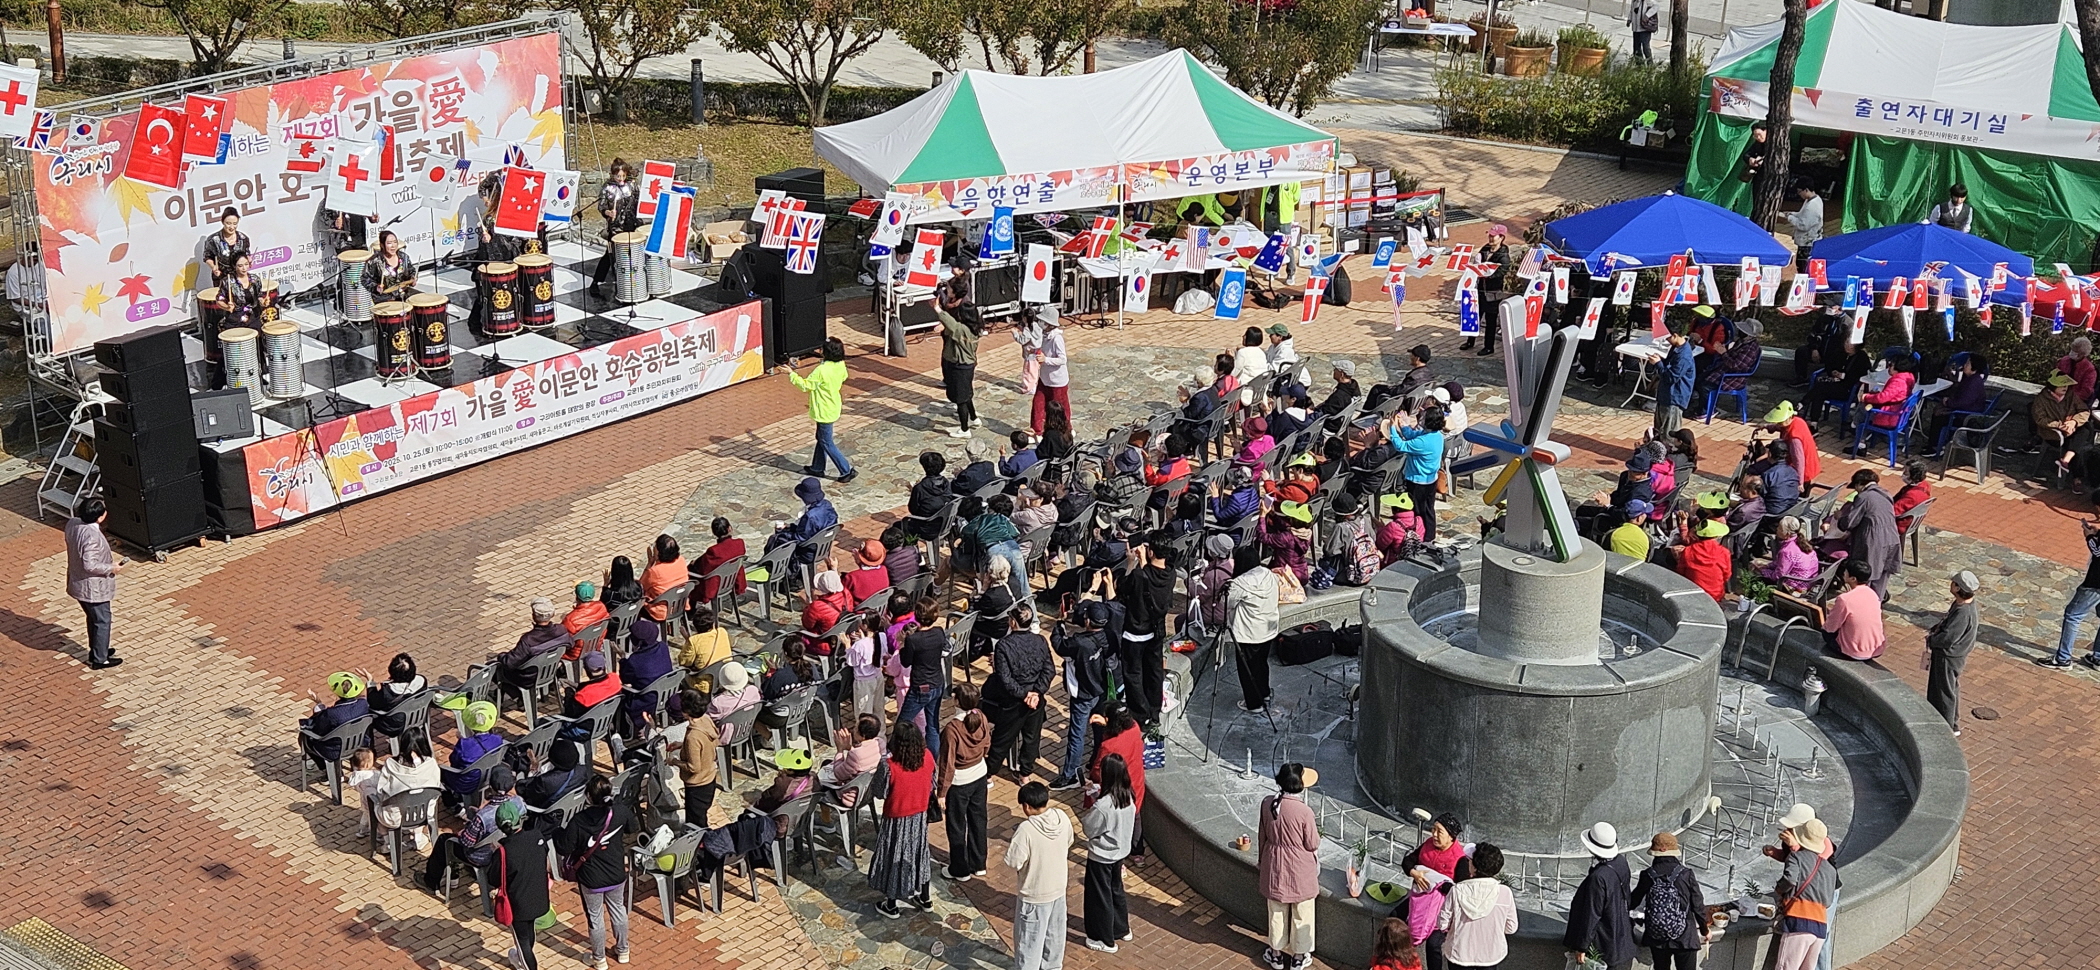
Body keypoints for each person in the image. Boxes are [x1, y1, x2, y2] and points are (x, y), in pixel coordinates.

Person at [558, 773, 635, 969]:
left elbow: (564, 848)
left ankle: (599, 959)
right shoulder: (620, 811)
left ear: (588, 797)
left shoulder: (578, 821)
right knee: (618, 910)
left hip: (591, 878)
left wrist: (557, 831)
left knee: (595, 917)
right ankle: (623, 950)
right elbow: (632, 828)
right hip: (616, 872)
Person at [869, 721, 937, 919]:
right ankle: (925, 897)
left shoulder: (889, 766)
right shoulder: (928, 757)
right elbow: (932, 782)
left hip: (896, 819)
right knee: (920, 854)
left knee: (893, 856)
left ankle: (891, 904)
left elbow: (879, 792)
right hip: (920, 816)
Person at [1051, 590, 1118, 789]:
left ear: (1088, 620)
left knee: (1077, 734)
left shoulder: (1080, 643)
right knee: (1099, 729)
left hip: (1083, 695)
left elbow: (1059, 645)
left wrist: (1059, 623)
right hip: (1102, 690)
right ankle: (1096, 762)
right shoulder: (1110, 636)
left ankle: (1070, 775)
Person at [417, 763, 519, 893]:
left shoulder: (483, 816)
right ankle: (454, 873)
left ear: (491, 786)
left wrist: (465, 830)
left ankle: (430, 882)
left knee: (445, 840)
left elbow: (467, 842)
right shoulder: (518, 803)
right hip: (503, 850)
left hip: (480, 856)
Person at [1005, 780, 1075, 968]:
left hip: (1034, 896)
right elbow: (1069, 841)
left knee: (1028, 946)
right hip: (1058, 890)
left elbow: (1014, 861)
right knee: (1054, 940)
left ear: (1027, 806)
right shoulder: (1062, 817)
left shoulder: (1026, 830)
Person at [1259, 763, 1322, 970]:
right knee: (1302, 912)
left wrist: (1262, 861)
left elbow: (1262, 835)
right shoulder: (1304, 811)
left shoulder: (1268, 803)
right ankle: (1298, 957)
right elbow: (1312, 843)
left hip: (1274, 863)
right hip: (1299, 868)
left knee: (1276, 912)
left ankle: (1276, 954)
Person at [985, 605, 1053, 777]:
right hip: (1035, 700)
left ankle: (989, 773)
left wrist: (1025, 694)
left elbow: (1005, 678)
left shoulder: (1004, 645)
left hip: (1013, 700)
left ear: (1013, 623)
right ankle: (1025, 774)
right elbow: (1049, 670)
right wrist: (1036, 692)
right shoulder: (1040, 640)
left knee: (1002, 739)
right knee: (1032, 737)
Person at [1628, 832, 1709, 970]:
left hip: (1657, 937)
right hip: (1684, 937)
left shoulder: (1647, 875)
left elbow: (1633, 901)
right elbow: (1698, 905)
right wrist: (1705, 930)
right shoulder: (1686, 874)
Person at [1083, 753, 1138, 953]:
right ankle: (1121, 929)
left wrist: (1095, 801)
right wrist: (1096, 792)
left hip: (1102, 856)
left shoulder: (1103, 806)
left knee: (1100, 898)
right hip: (1119, 853)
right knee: (1116, 892)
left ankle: (1104, 939)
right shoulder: (1128, 796)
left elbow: (1089, 828)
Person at [937, 684, 992, 880]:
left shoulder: (952, 729)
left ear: (957, 701)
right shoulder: (981, 717)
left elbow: (947, 763)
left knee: (957, 825)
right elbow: (987, 744)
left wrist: (942, 792)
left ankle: (959, 869)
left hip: (959, 782)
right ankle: (979, 863)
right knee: (979, 819)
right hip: (980, 775)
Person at [1564, 822, 1636, 970]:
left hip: (1604, 945)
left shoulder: (1598, 877)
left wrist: (1582, 946)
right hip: (1621, 938)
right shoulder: (1621, 862)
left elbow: (1592, 913)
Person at [1772, 818, 1839, 970]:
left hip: (1799, 921)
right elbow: (1828, 901)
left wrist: (1779, 890)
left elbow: (1790, 879)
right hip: (1820, 927)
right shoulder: (1830, 869)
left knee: (1785, 967)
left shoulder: (1796, 857)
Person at [65, 498, 124, 669]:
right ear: (100, 517)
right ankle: (100, 659)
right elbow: (90, 565)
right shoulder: (92, 536)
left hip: (77, 582)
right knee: (102, 620)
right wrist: (111, 568)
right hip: (93, 587)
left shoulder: (72, 523)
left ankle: (98, 649)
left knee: (93, 618)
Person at [788, 337, 857, 483]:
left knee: (826, 441)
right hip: (832, 406)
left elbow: (806, 386)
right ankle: (817, 467)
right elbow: (844, 376)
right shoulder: (840, 365)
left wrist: (791, 374)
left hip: (823, 409)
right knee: (821, 438)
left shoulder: (821, 370)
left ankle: (846, 470)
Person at [1439, 843, 1517, 970]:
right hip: (1490, 955)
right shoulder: (1504, 892)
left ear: (1474, 867)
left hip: (1459, 953)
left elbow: (1442, 924)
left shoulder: (1457, 890)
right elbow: (1511, 927)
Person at [493, 800, 551, 970]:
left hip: (518, 904)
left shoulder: (503, 851)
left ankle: (527, 964)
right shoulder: (537, 836)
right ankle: (521, 960)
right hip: (539, 896)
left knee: (522, 941)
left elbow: (493, 879)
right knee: (529, 930)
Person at [1833, 469, 1901, 597]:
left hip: (1874, 542)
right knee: (1882, 577)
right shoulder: (1886, 494)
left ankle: (1863, 603)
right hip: (1892, 538)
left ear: (1859, 484)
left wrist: (1840, 517)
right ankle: (1876, 602)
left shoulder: (1863, 497)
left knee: (1865, 577)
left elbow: (1849, 522)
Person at [1927, 571, 1980, 733]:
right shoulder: (1962, 605)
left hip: (1949, 656)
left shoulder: (1963, 612)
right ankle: (1950, 723)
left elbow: (1949, 638)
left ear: (1957, 588)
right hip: (1952, 655)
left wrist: (1932, 640)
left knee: (1945, 691)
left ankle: (1948, 727)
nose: (1950, 584)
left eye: (1953, 582)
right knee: (1949, 688)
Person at [1385, 408, 1447, 540]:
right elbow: (1413, 435)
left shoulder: (1423, 442)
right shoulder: (1436, 435)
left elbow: (1400, 446)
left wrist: (1392, 428)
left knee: (1418, 513)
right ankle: (1429, 537)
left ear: (1428, 422)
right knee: (1429, 510)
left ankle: (1421, 538)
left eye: (1423, 417)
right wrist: (1404, 426)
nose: (1420, 418)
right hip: (1431, 480)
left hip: (1418, 482)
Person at [936, 260, 982, 438]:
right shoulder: (972, 329)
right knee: (966, 394)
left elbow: (952, 325)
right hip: (966, 365)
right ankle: (974, 418)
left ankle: (964, 429)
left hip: (960, 365)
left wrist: (937, 309)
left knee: (961, 398)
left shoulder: (963, 330)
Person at [898, 599, 949, 756]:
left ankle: (896, 755)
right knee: (932, 725)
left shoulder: (913, 640)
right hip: (937, 684)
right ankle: (933, 759)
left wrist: (902, 644)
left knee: (902, 724)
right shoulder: (939, 632)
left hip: (920, 687)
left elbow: (906, 662)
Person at [495, 597, 571, 691]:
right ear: (553, 614)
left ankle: (511, 694)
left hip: (528, 679)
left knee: (495, 668)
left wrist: (501, 656)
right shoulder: (561, 630)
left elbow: (509, 663)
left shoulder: (528, 640)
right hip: (551, 671)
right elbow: (571, 645)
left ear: (534, 616)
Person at [588, 159, 641, 294]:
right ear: (613, 174)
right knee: (611, 254)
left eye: (623, 176)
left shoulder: (632, 184)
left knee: (634, 252)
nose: (621, 179)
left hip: (632, 223)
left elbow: (640, 200)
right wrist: (608, 212)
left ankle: (633, 281)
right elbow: (601, 206)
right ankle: (597, 281)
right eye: (618, 176)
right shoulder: (608, 187)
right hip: (616, 226)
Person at [1921, 353, 1988, 457]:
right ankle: (1934, 444)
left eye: (1968, 364)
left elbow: (1963, 402)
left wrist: (1948, 402)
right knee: (1938, 410)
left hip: (1967, 415)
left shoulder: (1973, 383)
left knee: (1939, 415)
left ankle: (1935, 447)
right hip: (1968, 410)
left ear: (1974, 368)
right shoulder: (1971, 379)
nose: (1965, 365)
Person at [1821, 560, 1885, 661]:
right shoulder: (1873, 594)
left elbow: (1830, 627)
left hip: (1854, 651)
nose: (1843, 573)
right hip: (1876, 649)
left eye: (1846, 571)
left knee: (1825, 632)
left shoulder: (1844, 599)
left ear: (1853, 578)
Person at [676, 689, 720, 825]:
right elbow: (709, 743)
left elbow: (693, 767)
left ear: (686, 712)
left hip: (697, 785)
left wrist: (674, 761)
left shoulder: (693, 736)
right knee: (701, 816)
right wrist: (682, 745)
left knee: (696, 824)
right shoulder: (706, 719)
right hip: (710, 777)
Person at [1467, 225, 1512, 354]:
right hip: (1480, 290)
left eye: (1493, 236)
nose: (1490, 238)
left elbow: (1500, 272)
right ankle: (1470, 341)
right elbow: (1478, 261)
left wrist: (1485, 273)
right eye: (1490, 235)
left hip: (1493, 294)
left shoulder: (1503, 256)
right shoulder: (1485, 249)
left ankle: (1488, 346)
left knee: (1490, 321)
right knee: (1474, 316)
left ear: (1501, 237)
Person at [1762, 401, 1822, 490]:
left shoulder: (1795, 439)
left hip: (1804, 471)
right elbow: (1781, 427)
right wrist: (1767, 427)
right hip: (1808, 465)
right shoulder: (1797, 420)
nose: (1779, 423)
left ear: (1789, 417)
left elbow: (1799, 460)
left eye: (1781, 421)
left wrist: (1800, 482)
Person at [1672, 513, 1732, 602]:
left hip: (1693, 594)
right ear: (1716, 536)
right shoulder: (1724, 552)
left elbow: (1681, 572)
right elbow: (1727, 575)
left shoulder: (1688, 551)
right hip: (1715, 595)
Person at [517, 736, 590, 808]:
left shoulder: (545, 781)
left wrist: (532, 770)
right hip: (567, 807)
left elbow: (522, 789)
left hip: (543, 810)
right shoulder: (583, 771)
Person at [693, 516, 749, 607]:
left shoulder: (714, 551)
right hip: (732, 580)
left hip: (718, 585)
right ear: (729, 528)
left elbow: (704, 567)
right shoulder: (739, 543)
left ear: (714, 532)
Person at [1031, 307, 1070, 434]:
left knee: (1059, 408)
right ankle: (1037, 430)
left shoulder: (1057, 339)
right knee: (1038, 403)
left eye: (1043, 321)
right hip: (1044, 378)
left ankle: (1065, 429)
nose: (1040, 323)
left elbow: (1062, 359)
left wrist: (1046, 360)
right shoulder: (1044, 335)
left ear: (1049, 324)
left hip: (1057, 381)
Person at [1654, 329, 1695, 441]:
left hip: (1674, 399)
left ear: (1675, 335)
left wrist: (1658, 364)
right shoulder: (1676, 348)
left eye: (1667, 337)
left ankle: (1667, 452)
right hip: (1665, 396)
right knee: (1658, 432)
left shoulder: (1683, 356)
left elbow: (1671, 377)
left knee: (1670, 436)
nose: (1666, 339)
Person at [1762, 516, 1821, 592]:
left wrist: (1762, 571)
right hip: (1809, 581)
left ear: (1787, 534)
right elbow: (1781, 563)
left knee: (1757, 574)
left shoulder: (1786, 551)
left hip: (1796, 587)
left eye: (1779, 528)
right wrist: (1767, 566)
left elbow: (1778, 576)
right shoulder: (1802, 542)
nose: (1777, 529)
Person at [640, 534, 686, 622]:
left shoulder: (655, 571)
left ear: (659, 552)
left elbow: (641, 586)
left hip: (661, 611)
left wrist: (650, 563)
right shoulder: (681, 560)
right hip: (680, 605)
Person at [201, 207, 251, 287]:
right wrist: (214, 267)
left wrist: (248, 260)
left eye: (235, 224)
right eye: (228, 223)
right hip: (221, 277)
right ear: (222, 222)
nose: (232, 227)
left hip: (240, 276)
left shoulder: (243, 238)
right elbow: (207, 257)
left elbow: (247, 254)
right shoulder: (213, 239)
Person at [366, 230, 418, 303]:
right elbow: (365, 279)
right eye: (389, 243)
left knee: (421, 299)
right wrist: (376, 287)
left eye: (395, 242)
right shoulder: (374, 261)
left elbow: (411, 270)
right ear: (382, 245)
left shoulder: (404, 257)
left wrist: (412, 279)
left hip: (403, 293)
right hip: (384, 298)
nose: (393, 246)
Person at [1786, 182, 1825, 270]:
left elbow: (1803, 225)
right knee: (1801, 265)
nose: (1799, 194)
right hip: (1807, 240)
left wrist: (1790, 218)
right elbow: (1803, 214)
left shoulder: (1812, 206)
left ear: (1806, 190)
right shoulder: (1811, 200)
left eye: (1800, 192)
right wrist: (1792, 214)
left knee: (1803, 267)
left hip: (1808, 242)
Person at [908, 451, 954, 526]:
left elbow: (913, 510)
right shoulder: (946, 483)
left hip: (925, 527)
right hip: (943, 523)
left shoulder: (919, 488)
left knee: (897, 525)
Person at [843, 540, 891, 605]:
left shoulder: (852, 576)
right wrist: (860, 562)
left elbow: (842, 593)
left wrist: (833, 569)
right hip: (879, 607)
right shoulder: (884, 569)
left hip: (859, 609)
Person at [1891, 462, 1931, 534]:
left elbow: (1894, 512)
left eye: (1906, 473)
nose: (1903, 474)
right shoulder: (1925, 485)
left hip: (1900, 525)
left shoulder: (1911, 496)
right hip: (1910, 520)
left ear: (1914, 476)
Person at [2059, 336, 2098, 403]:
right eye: (2072, 350)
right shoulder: (2064, 361)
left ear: (2083, 354)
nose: (2072, 352)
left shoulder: (2089, 370)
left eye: (2076, 352)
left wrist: (2069, 399)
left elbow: (2086, 391)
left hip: (2076, 400)